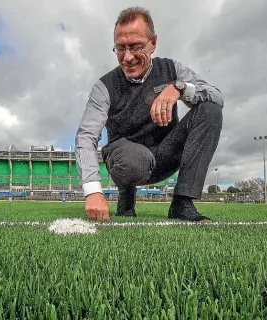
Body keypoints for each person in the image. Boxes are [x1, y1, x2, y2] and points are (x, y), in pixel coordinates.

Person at [75, 6, 224, 222]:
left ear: (153, 43)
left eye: (136, 46)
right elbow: (85, 136)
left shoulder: (172, 70)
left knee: (210, 109)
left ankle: (182, 203)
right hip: (126, 159)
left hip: (165, 153)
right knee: (134, 160)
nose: (127, 57)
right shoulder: (104, 86)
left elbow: (217, 96)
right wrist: (92, 190)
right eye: (120, 48)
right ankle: (126, 193)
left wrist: (180, 88)